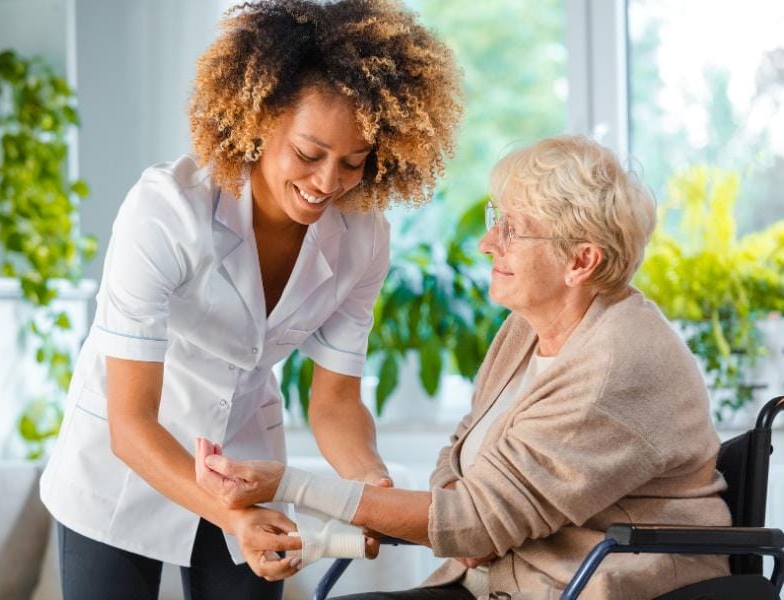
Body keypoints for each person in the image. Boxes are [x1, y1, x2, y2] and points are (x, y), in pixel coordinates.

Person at [38, 1, 461, 599]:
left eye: (355, 162)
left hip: (246, 451)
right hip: (131, 457)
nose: (328, 183)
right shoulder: (166, 212)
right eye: (309, 154)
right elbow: (130, 424)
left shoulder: (364, 237)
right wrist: (231, 518)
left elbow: (335, 403)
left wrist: (371, 490)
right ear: (261, 120)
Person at [194, 135, 733, 600]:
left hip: (587, 585)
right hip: (498, 581)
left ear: (580, 261)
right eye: (497, 221)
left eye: (514, 230)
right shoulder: (529, 328)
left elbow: (475, 521)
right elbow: (460, 457)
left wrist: (288, 483)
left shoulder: (614, 365)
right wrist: (465, 523)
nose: (486, 242)